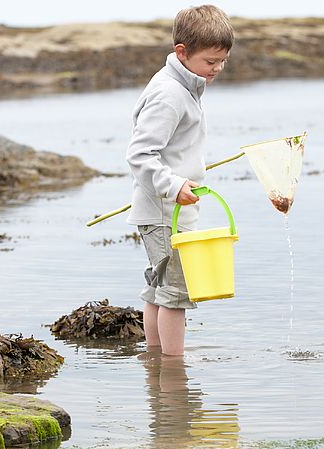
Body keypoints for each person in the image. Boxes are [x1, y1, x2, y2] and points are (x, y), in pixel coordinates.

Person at [126, 5, 234, 356]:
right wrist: (173, 185)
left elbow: (175, 149)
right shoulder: (169, 95)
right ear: (182, 52)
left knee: (159, 288)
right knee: (176, 293)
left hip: (166, 209)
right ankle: (175, 371)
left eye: (222, 61)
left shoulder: (185, 85)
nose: (216, 69)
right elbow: (140, 154)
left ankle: (156, 363)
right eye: (210, 61)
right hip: (163, 211)